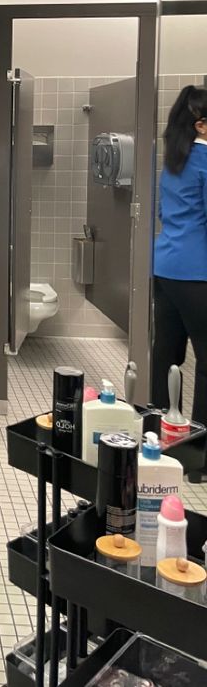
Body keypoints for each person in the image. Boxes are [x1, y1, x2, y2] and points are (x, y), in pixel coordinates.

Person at [152, 85, 207, 483]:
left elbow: (161, 210)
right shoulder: (206, 161)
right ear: (202, 124)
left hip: (166, 266)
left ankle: (155, 438)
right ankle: (199, 461)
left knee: (166, 354)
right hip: (198, 272)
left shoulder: (173, 162)